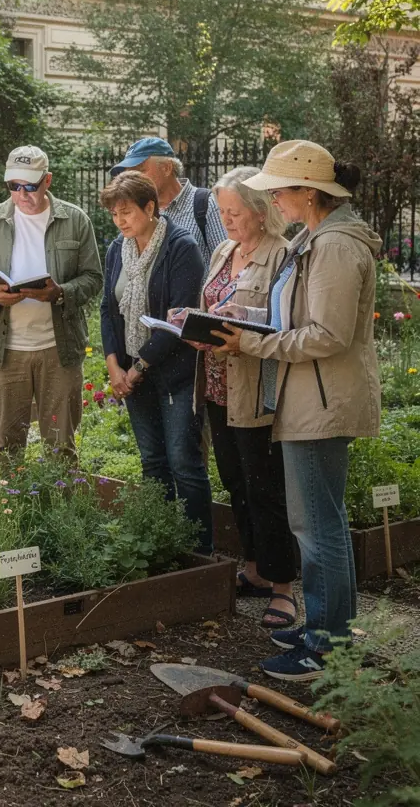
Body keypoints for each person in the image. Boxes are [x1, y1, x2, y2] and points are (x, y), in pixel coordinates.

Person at [210, 140, 380, 680]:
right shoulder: (319, 237)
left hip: (321, 400)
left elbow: (328, 335)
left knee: (317, 526)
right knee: (317, 521)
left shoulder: (332, 245)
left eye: (279, 191)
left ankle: (325, 647)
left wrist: (252, 344)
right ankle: (326, 631)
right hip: (312, 395)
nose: (275, 201)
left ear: (310, 193)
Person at [181, 167, 297, 626]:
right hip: (216, 386)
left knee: (266, 488)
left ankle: (284, 587)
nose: (226, 220)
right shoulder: (223, 250)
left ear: (262, 210)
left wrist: (238, 320)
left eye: (235, 212)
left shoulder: (283, 254)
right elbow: (211, 307)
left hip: (255, 389)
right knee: (236, 483)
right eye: (222, 212)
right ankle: (254, 569)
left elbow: (284, 321)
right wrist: (190, 323)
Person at [0, 146, 102, 466]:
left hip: (59, 349)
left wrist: (61, 292)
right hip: (5, 351)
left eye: (30, 186)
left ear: (47, 180)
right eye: (14, 186)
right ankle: (7, 514)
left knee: (61, 447)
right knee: (6, 447)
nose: (22, 193)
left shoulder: (74, 220)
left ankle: (61, 513)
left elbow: (94, 277)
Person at [99, 170, 212, 553]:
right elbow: (107, 310)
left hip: (174, 370)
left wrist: (137, 368)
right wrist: (114, 366)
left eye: (127, 212)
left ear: (151, 207)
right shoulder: (118, 248)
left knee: (184, 460)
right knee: (152, 460)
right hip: (132, 370)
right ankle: (162, 542)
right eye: (114, 214)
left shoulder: (180, 247)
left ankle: (198, 550)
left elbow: (179, 320)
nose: (120, 221)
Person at [112, 137, 226, 267]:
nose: (133, 179)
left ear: (166, 168)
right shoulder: (136, 211)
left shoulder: (206, 205)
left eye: (140, 170)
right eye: (129, 174)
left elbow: (227, 264)